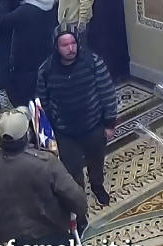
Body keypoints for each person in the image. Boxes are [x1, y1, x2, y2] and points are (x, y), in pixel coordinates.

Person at [0, 109, 88, 246]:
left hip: (16, 240)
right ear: (26, 134)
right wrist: (79, 213)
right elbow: (75, 197)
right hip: (52, 230)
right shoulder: (45, 162)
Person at [36, 25, 118, 206]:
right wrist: (51, 129)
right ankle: (78, 201)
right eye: (65, 45)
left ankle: (97, 186)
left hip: (93, 126)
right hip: (65, 132)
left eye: (73, 43)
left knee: (96, 161)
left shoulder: (93, 62)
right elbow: (44, 101)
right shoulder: (46, 70)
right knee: (72, 171)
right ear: (56, 47)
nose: (71, 48)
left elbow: (107, 93)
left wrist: (109, 124)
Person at [0, 0, 59, 107]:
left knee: (22, 93)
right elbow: (25, 1)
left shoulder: (26, 11)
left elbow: (3, 20)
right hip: (44, 53)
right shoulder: (49, 2)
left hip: (25, 57)